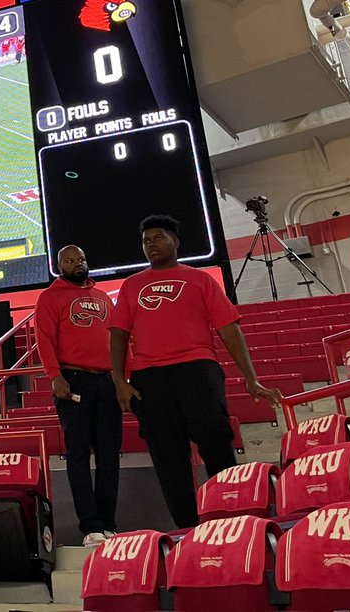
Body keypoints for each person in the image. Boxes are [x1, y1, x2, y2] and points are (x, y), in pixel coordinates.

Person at [111, 214, 282, 529]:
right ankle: (188, 528)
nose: (151, 244)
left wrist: (250, 377)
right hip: (150, 378)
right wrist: (120, 382)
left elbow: (228, 328)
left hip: (198, 370)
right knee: (168, 457)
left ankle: (232, 517)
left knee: (216, 440)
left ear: (176, 242)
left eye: (159, 238)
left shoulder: (201, 280)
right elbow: (119, 334)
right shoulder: (131, 285)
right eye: (146, 240)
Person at [35, 245, 120, 546]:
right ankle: (91, 527)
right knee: (79, 455)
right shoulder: (50, 298)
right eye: (70, 260)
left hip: (107, 381)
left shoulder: (103, 297)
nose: (77, 263)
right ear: (59, 267)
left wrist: (123, 379)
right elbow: (44, 339)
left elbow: (117, 339)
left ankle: (108, 524)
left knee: (109, 455)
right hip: (73, 382)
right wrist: (54, 376)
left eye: (81, 259)